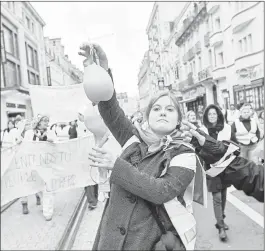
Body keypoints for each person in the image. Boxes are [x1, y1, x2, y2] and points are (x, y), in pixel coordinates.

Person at [80, 43, 206, 251]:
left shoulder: (184, 154)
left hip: (147, 243)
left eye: (169, 109)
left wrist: (117, 166)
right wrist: (102, 73)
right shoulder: (133, 139)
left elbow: (161, 191)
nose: (162, 112)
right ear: (148, 117)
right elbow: (110, 108)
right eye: (156, 108)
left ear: (178, 120)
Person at [180, 120, 264, 203]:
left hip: (227, 165)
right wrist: (219, 153)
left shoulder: (227, 127)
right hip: (220, 167)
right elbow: (257, 179)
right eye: (210, 114)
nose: (212, 116)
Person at [200, 104, 232, 241]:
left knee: (224, 195)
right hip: (211, 166)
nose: (212, 116)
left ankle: (222, 218)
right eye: (210, 114)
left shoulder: (227, 129)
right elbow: (199, 150)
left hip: (225, 166)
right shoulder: (202, 131)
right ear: (206, 117)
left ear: (218, 115)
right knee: (217, 197)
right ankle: (220, 227)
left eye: (214, 114)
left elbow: (234, 144)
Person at [21, 114, 56, 221]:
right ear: (38, 121)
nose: (46, 122)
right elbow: (25, 146)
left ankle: (47, 211)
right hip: (33, 164)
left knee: (48, 188)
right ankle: (40, 200)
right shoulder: (29, 133)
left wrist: (47, 139)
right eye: (44, 120)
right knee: (36, 186)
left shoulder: (50, 132)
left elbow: (57, 143)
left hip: (46, 164)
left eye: (47, 120)